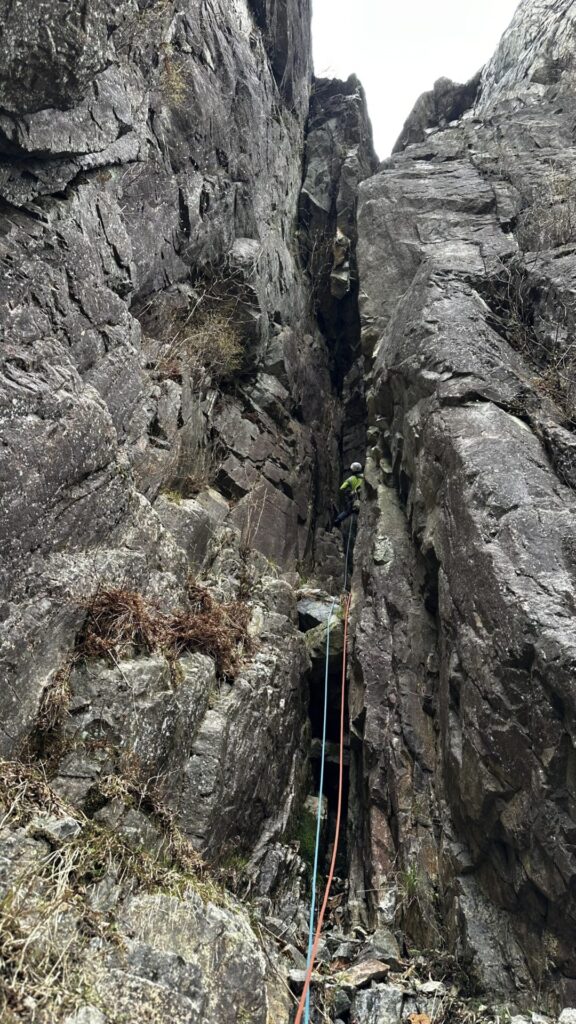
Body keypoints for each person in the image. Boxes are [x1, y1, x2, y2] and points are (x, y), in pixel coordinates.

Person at [332, 462, 363, 527]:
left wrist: (349, 494)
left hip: (354, 500)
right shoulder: (364, 477)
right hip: (363, 499)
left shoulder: (350, 479)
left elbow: (342, 488)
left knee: (347, 512)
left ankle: (337, 521)